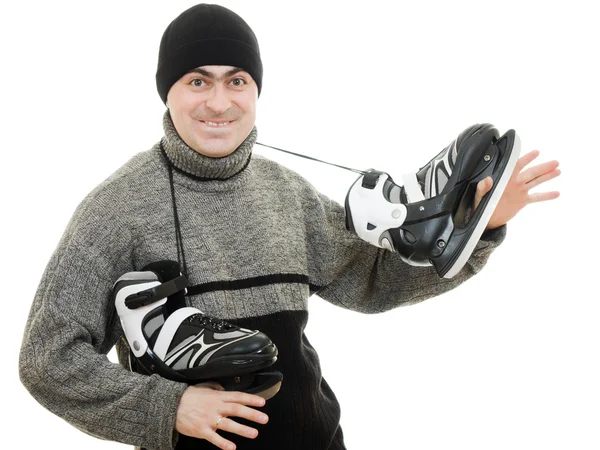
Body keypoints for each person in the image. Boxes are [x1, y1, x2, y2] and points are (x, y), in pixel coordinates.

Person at [18, 4, 560, 450]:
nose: (219, 101)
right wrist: (169, 407)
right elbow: (47, 359)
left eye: (237, 80)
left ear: (257, 91)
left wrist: (482, 223)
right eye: (197, 80)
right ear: (168, 91)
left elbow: (375, 280)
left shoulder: (287, 192)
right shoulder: (117, 208)